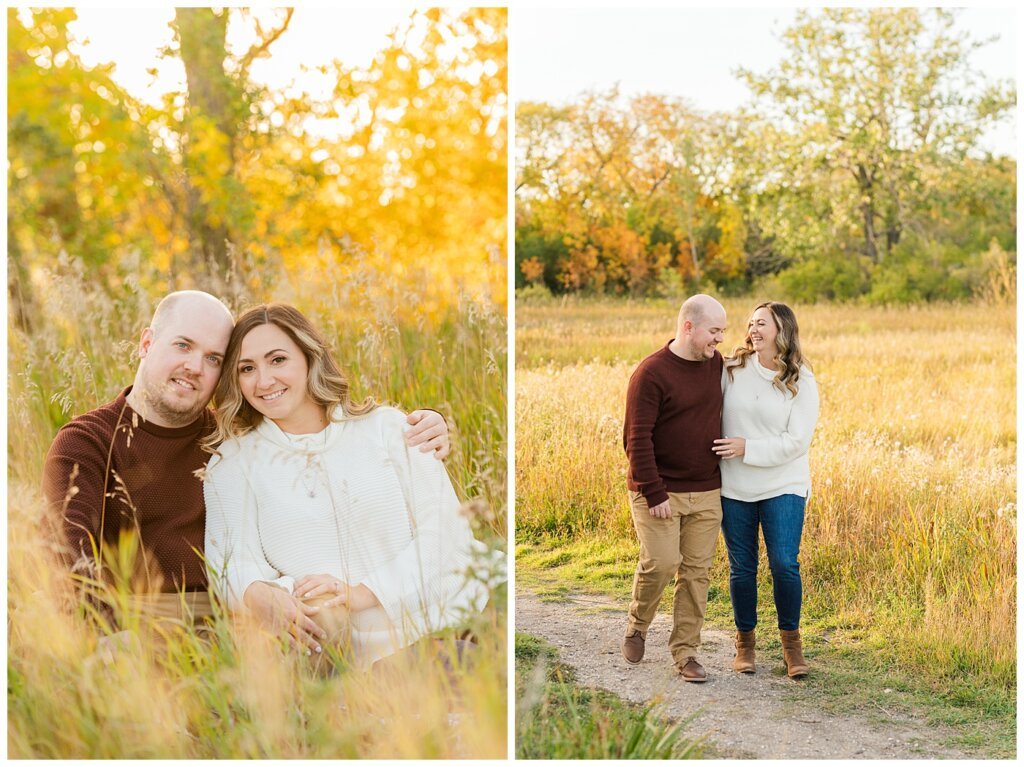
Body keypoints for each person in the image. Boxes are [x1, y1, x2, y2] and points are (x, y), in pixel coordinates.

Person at [42, 290, 450, 629]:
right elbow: (71, 564)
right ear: (147, 344)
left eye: (213, 359)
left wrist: (429, 422)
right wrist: (108, 641)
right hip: (146, 623)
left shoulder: (232, 434)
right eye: (183, 345)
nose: (194, 367)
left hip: (241, 619)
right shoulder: (87, 443)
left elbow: (315, 423)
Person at [201, 304, 486, 668]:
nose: (264, 381)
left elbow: (450, 538)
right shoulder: (233, 463)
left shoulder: (389, 429)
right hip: (341, 652)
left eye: (277, 360)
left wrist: (360, 594)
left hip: (452, 620)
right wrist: (278, 595)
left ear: (309, 357)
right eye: (247, 368)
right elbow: (233, 565)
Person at [621, 294, 727, 683]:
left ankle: (686, 654)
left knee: (697, 573)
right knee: (662, 562)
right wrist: (655, 492)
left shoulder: (716, 365)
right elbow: (637, 438)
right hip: (658, 489)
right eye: (714, 331)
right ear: (688, 326)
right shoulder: (651, 373)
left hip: (706, 489)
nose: (719, 340)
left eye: (722, 332)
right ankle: (637, 624)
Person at [712, 301, 819, 678]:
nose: (753, 329)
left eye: (762, 323)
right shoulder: (732, 370)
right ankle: (745, 644)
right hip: (736, 484)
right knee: (743, 568)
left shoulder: (801, 379)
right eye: (750, 323)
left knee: (784, 564)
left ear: (781, 329)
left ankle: (792, 645)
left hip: (783, 482)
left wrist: (748, 448)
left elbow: (797, 441)